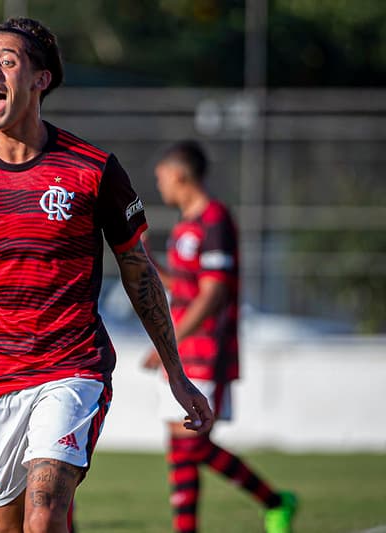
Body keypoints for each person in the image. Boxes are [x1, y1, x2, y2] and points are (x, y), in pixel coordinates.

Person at [0, 17, 213, 533]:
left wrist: (176, 372)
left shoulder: (93, 170)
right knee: (8, 525)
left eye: (7, 61)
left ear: (40, 80)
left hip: (69, 369)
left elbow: (138, 272)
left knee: (45, 512)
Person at [143, 140, 297, 533]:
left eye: (161, 177)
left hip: (208, 349)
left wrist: (168, 342)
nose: (159, 185)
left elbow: (214, 294)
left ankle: (275, 501)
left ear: (178, 175)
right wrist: (149, 264)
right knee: (180, 443)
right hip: (182, 349)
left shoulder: (215, 221)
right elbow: (187, 289)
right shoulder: (185, 228)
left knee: (192, 443)